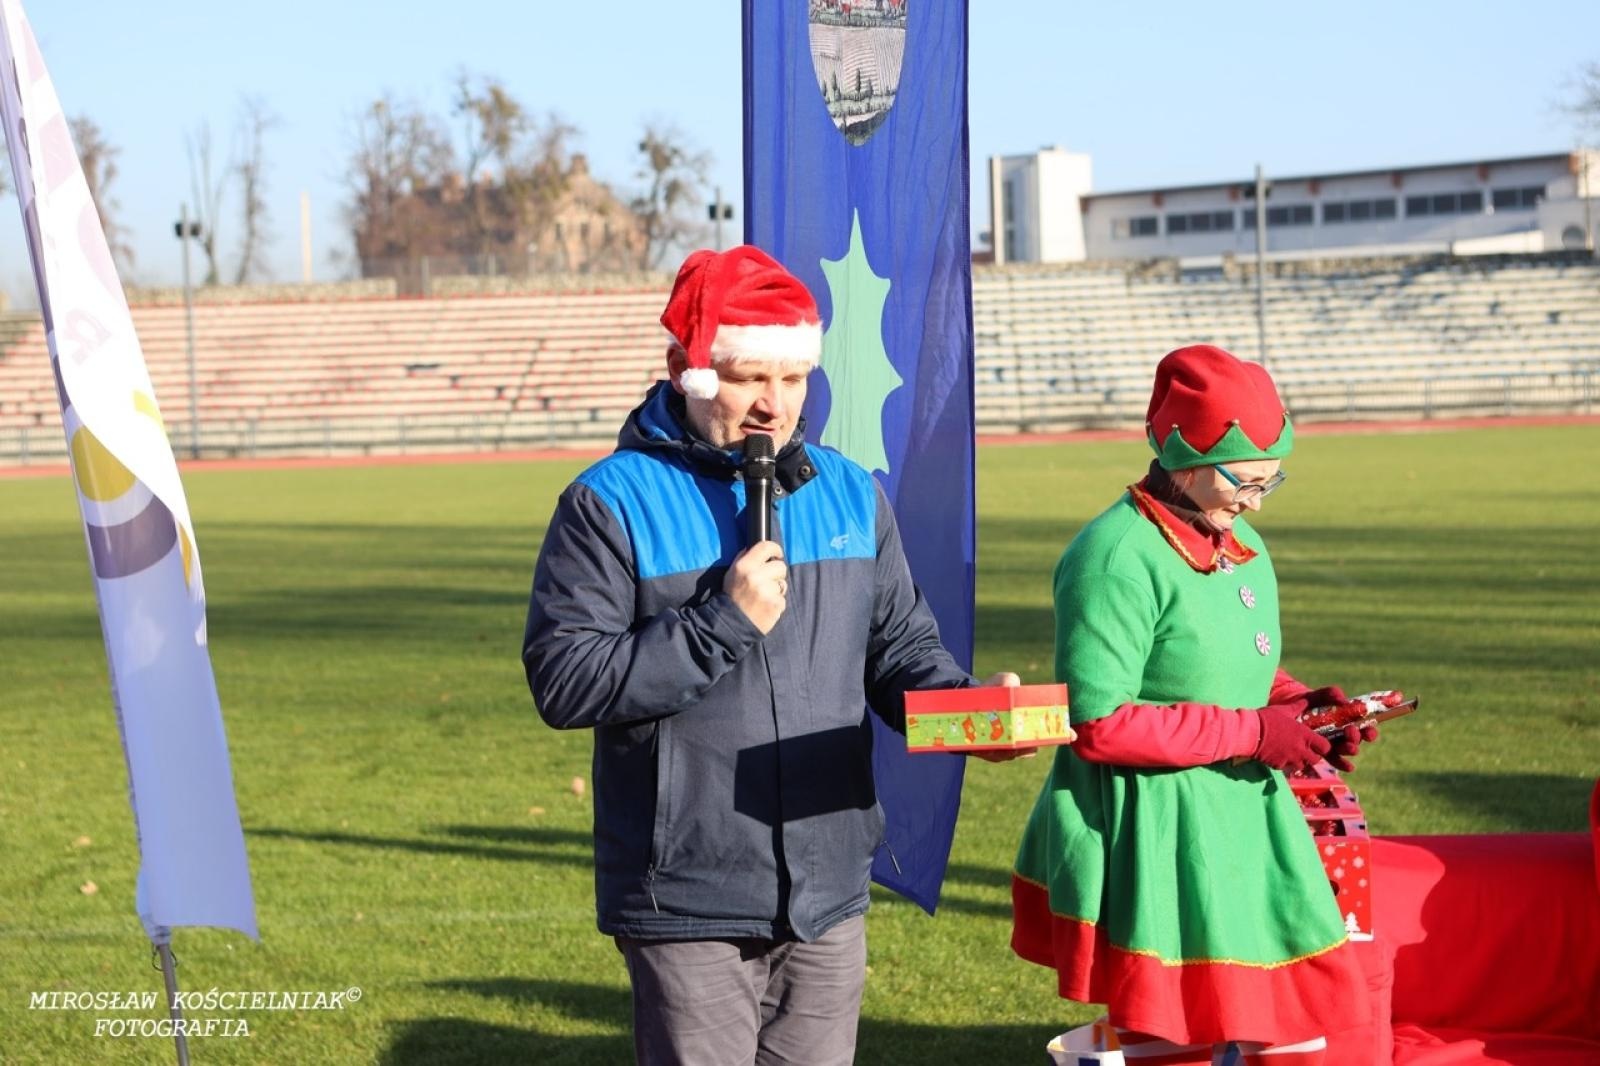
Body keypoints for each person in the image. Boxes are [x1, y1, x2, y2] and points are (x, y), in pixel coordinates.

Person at [522, 245, 1019, 1066]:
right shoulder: (606, 502)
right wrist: (721, 622)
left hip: (828, 891)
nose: (774, 406)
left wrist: (973, 714)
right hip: (687, 894)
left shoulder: (852, 490)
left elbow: (900, 652)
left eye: (793, 381)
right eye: (752, 378)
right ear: (686, 368)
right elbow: (566, 682)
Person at [1010, 344, 1377, 1066]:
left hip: (1244, 811)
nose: (1256, 501)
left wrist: (1302, 709)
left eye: (1273, 482)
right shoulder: (1114, 556)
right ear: (1181, 456)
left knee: (1294, 1012)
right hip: (1158, 827)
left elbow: (1233, 668)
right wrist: (1253, 732)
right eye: (1244, 481)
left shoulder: (1240, 542)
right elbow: (1100, 723)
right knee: (1170, 1029)